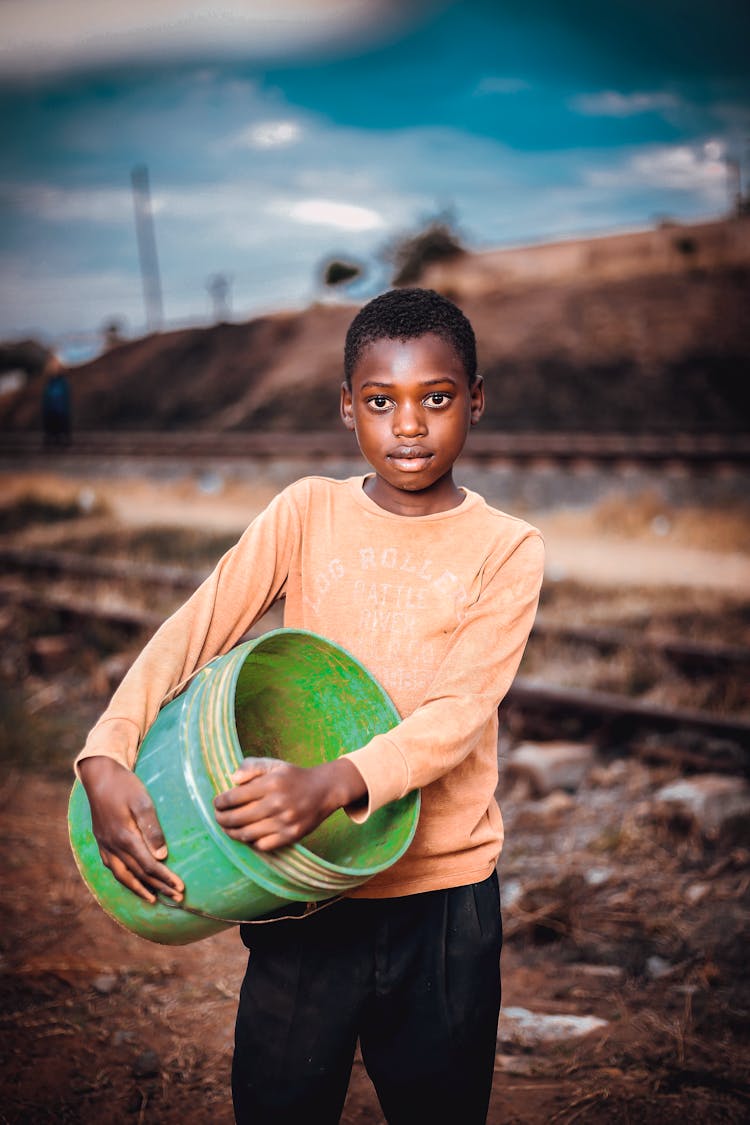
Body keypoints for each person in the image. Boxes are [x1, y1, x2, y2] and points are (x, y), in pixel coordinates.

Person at [76, 287, 545, 1124]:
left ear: (475, 399)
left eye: (436, 399)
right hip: (298, 891)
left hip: (442, 903)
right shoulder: (305, 512)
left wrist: (330, 783)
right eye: (380, 401)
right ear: (346, 407)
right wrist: (107, 750)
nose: (409, 425)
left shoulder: (508, 547)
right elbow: (196, 625)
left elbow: (458, 711)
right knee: (280, 1102)